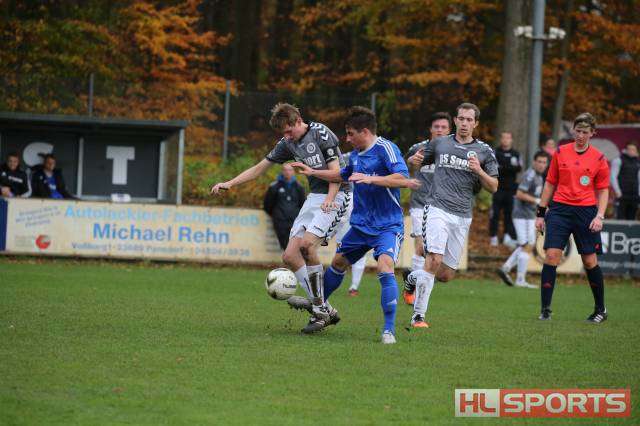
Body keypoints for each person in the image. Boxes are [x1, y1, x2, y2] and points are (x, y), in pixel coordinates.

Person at [211, 103, 352, 327]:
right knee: (290, 257)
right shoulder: (287, 143)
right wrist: (230, 183)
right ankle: (324, 307)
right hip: (315, 196)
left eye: (289, 131)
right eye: (283, 133)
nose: (286, 136)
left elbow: (338, 173)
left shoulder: (321, 133)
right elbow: (259, 168)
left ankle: (319, 310)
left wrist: (329, 198)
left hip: (338, 195)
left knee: (307, 246)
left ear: (298, 121)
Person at [288, 106, 417, 344]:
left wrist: (372, 179)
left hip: (387, 225)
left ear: (364, 132)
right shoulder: (356, 155)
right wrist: (313, 171)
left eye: (350, 134)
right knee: (338, 263)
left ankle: (388, 330)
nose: (346, 139)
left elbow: (402, 178)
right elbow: (341, 175)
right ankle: (318, 307)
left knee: (385, 266)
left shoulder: (385, 148)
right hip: (360, 225)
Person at [408, 103, 499, 328]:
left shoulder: (484, 151)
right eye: (461, 119)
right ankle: (418, 316)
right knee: (434, 259)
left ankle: (412, 277)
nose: (464, 123)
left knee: (445, 275)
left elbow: (493, 187)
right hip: (436, 208)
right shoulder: (440, 143)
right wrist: (412, 161)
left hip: (462, 215)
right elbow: (415, 161)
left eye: (469, 120)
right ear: (455, 121)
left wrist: (479, 170)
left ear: (476, 123)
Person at [535, 112, 610, 323]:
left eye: (585, 132)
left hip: (586, 211)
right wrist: (541, 214)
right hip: (559, 210)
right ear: (572, 131)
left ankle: (600, 310)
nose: (580, 136)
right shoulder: (560, 152)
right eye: (577, 131)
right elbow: (550, 183)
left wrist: (600, 216)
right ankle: (545, 310)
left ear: (592, 133)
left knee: (589, 260)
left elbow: (603, 190)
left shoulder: (599, 158)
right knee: (551, 256)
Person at [402, 111, 452, 305]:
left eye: (443, 127)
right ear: (430, 129)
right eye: (436, 127)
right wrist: (409, 163)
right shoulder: (418, 148)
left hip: (443, 207)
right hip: (420, 204)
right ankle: (415, 290)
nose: (439, 130)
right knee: (422, 246)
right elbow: (399, 168)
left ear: (449, 130)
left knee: (434, 255)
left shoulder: (454, 150)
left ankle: (412, 279)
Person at [497, 151, 549, 288]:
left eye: (544, 162)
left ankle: (506, 268)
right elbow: (519, 194)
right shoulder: (530, 175)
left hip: (529, 215)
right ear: (534, 162)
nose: (542, 165)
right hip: (522, 215)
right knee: (527, 245)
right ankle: (519, 279)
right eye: (539, 162)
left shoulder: (539, 176)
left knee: (527, 245)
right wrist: (538, 201)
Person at [489, 131, 521, 247]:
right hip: (498, 188)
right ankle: (493, 236)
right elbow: (495, 168)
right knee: (495, 213)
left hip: (511, 189)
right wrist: (509, 168)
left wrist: (504, 167)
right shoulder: (495, 152)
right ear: (501, 139)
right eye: (504, 138)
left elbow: (518, 168)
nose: (506, 140)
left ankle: (507, 236)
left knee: (509, 213)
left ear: (511, 140)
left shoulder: (516, 153)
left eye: (508, 138)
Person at [263, 163, 306, 250]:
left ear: (293, 172)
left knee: (295, 245)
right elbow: (267, 204)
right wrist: (276, 214)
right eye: (285, 170)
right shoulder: (274, 186)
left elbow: (303, 204)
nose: (287, 172)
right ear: (282, 171)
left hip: (295, 221)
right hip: (280, 220)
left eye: (290, 170)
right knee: (285, 245)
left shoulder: (299, 187)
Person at [610, 141, 639, 220]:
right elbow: (613, 177)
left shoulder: (637, 162)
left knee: (632, 219)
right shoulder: (618, 160)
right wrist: (617, 191)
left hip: (634, 195)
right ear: (625, 150)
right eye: (629, 149)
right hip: (622, 195)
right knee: (620, 219)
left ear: (636, 151)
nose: (631, 151)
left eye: (633, 149)